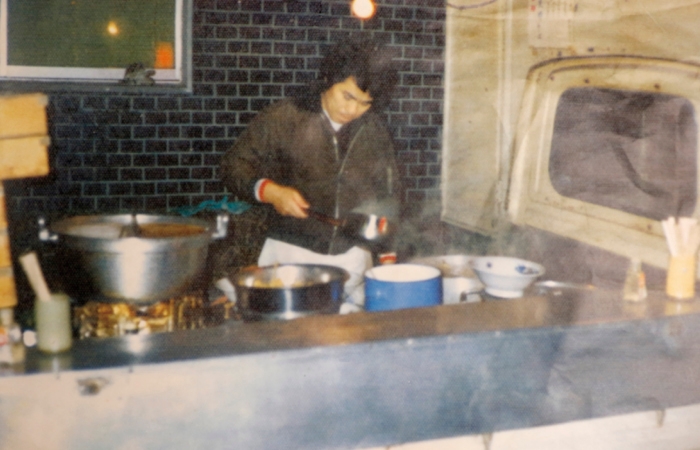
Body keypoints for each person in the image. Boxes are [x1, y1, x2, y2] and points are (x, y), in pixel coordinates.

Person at [220, 35, 401, 308]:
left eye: (365, 103)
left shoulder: (373, 130)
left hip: (354, 258)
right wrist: (271, 192)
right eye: (347, 96)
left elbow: (388, 195)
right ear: (328, 80)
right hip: (289, 257)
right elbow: (234, 165)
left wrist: (388, 257)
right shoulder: (285, 117)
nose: (352, 110)